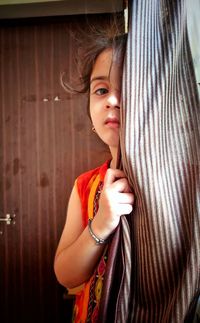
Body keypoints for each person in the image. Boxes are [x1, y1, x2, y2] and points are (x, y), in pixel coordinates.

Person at [54, 32, 134, 322]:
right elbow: (64, 274)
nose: (112, 98)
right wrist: (101, 223)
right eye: (101, 90)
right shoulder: (85, 186)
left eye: (127, 85)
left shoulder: (186, 178)